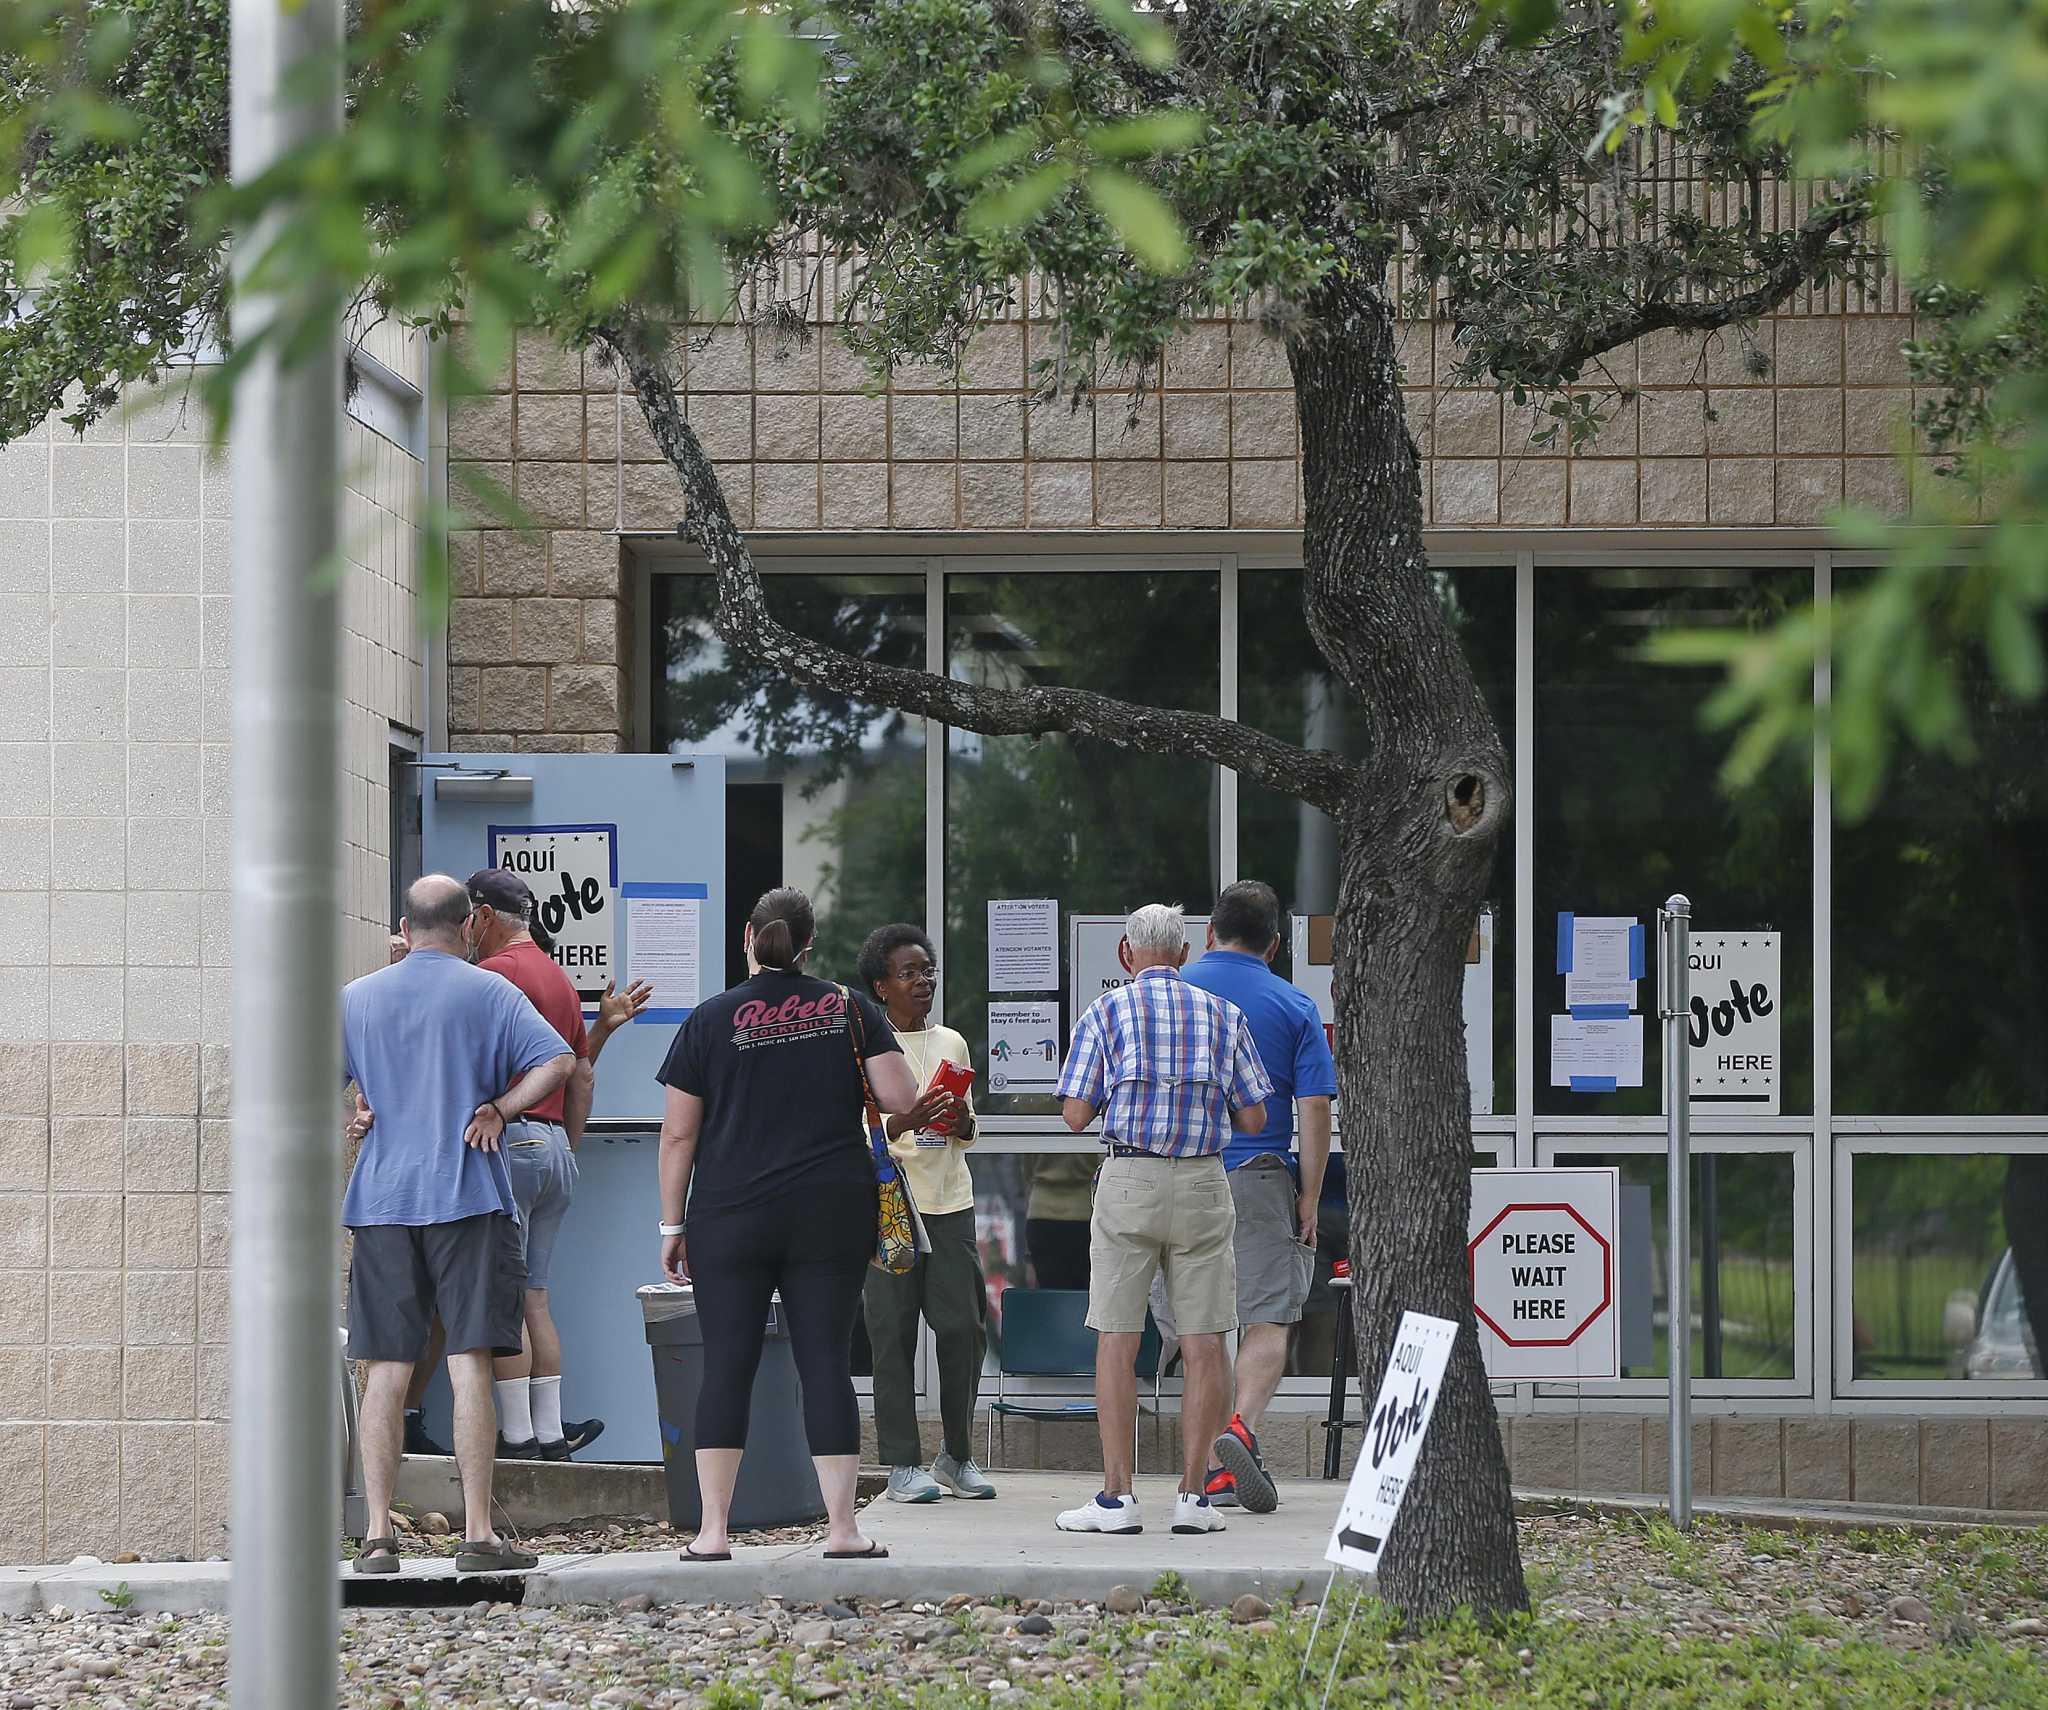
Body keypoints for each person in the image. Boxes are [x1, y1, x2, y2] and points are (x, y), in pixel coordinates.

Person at [655, 887, 921, 1561]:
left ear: (749, 936)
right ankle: (842, 1530)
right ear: (808, 945)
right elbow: (899, 1098)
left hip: (729, 1213)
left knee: (727, 1365)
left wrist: (670, 1226)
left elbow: (678, 1137)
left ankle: (713, 1533)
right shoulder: (849, 1007)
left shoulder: (710, 1019)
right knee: (825, 1362)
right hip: (829, 1210)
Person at [343, 874, 575, 1575]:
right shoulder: (491, 991)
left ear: (405, 929)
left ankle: (379, 1536)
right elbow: (558, 1061)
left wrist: (359, 1112)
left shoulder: (355, 999)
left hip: (383, 1201)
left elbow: (314, 1085)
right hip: (469, 1196)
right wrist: (501, 1110)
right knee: (470, 1359)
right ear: (468, 927)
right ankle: (477, 1535)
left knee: (386, 1367)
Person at [1052, 903, 1271, 1539]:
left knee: (1117, 1339)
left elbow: (1073, 1112)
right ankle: (1193, 1498)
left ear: (1126, 954)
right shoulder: (1223, 1015)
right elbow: (1255, 1119)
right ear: (1184, 954)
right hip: (1203, 1180)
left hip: (1129, 1181)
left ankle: (1117, 1499)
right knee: (1206, 1341)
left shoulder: (1106, 1012)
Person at [467, 867, 651, 1461]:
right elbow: (580, 1073)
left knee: (504, 1294)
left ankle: (517, 1437)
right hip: (552, 1149)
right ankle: (549, 1435)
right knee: (536, 1297)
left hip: (509, 1144)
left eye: (468, 917)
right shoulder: (560, 981)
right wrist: (567, 1147)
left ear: (485, 916)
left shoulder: (492, 976)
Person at [1178, 880, 1337, 1515]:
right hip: (1261, 1173)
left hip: (1182, 1170)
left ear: (1209, 932)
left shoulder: (1173, 990)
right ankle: (1237, 1434)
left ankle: (1210, 1468)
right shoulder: (1293, 1004)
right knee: (1267, 1316)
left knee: (1203, 1324)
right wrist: (1310, 1197)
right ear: (1274, 945)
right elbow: (1316, 1108)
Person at [856, 923, 997, 1503]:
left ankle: (956, 1456)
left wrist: (959, 1121)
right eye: (908, 973)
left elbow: (967, 1125)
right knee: (891, 1335)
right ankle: (901, 1464)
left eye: (927, 971)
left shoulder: (952, 1042)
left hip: (949, 1203)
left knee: (963, 1330)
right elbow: (854, 1132)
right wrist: (905, 1121)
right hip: (889, 1206)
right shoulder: (862, 1045)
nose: (923, 982)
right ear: (880, 986)